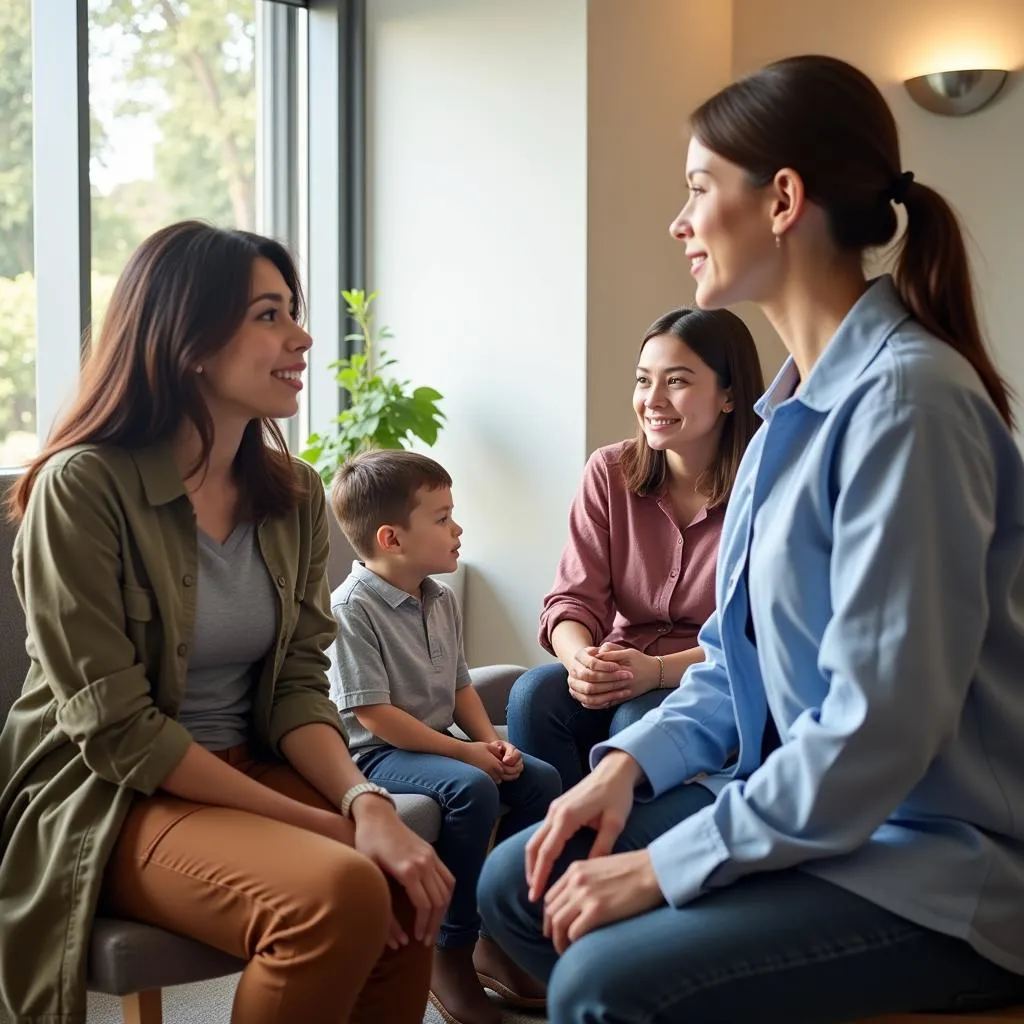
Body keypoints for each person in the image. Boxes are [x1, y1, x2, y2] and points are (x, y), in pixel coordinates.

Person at [477, 54, 1024, 1024]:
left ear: (780, 200)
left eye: (697, 189)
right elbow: (738, 662)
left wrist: (664, 866)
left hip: (937, 868)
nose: (679, 222)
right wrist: (622, 766)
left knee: (602, 983)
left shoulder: (908, 403)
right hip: (838, 835)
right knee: (512, 894)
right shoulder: (782, 420)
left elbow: (877, 730)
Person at [0, 221, 454, 1024]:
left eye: (293, 311)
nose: (303, 336)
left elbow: (298, 688)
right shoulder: (81, 488)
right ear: (190, 341)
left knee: (404, 883)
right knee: (338, 889)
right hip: (117, 796)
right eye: (270, 315)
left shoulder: (297, 494)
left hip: (247, 765)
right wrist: (332, 826)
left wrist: (366, 804)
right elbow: (121, 733)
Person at [327, 449, 562, 1024]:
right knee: (470, 788)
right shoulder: (350, 609)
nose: (457, 529)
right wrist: (465, 754)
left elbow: (460, 688)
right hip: (374, 757)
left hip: (437, 741)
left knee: (540, 779)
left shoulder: (441, 598)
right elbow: (375, 717)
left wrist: (492, 744)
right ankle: (449, 949)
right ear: (392, 538)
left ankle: (500, 934)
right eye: (442, 517)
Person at [507, 306, 763, 790]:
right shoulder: (609, 471)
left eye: (677, 382)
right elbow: (572, 599)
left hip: (706, 682)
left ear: (728, 395)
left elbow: (755, 634)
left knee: (636, 727)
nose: (653, 400)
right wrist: (581, 661)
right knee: (530, 698)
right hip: (621, 663)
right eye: (644, 381)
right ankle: (552, 846)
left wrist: (660, 671)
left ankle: (626, 854)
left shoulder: (765, 485)